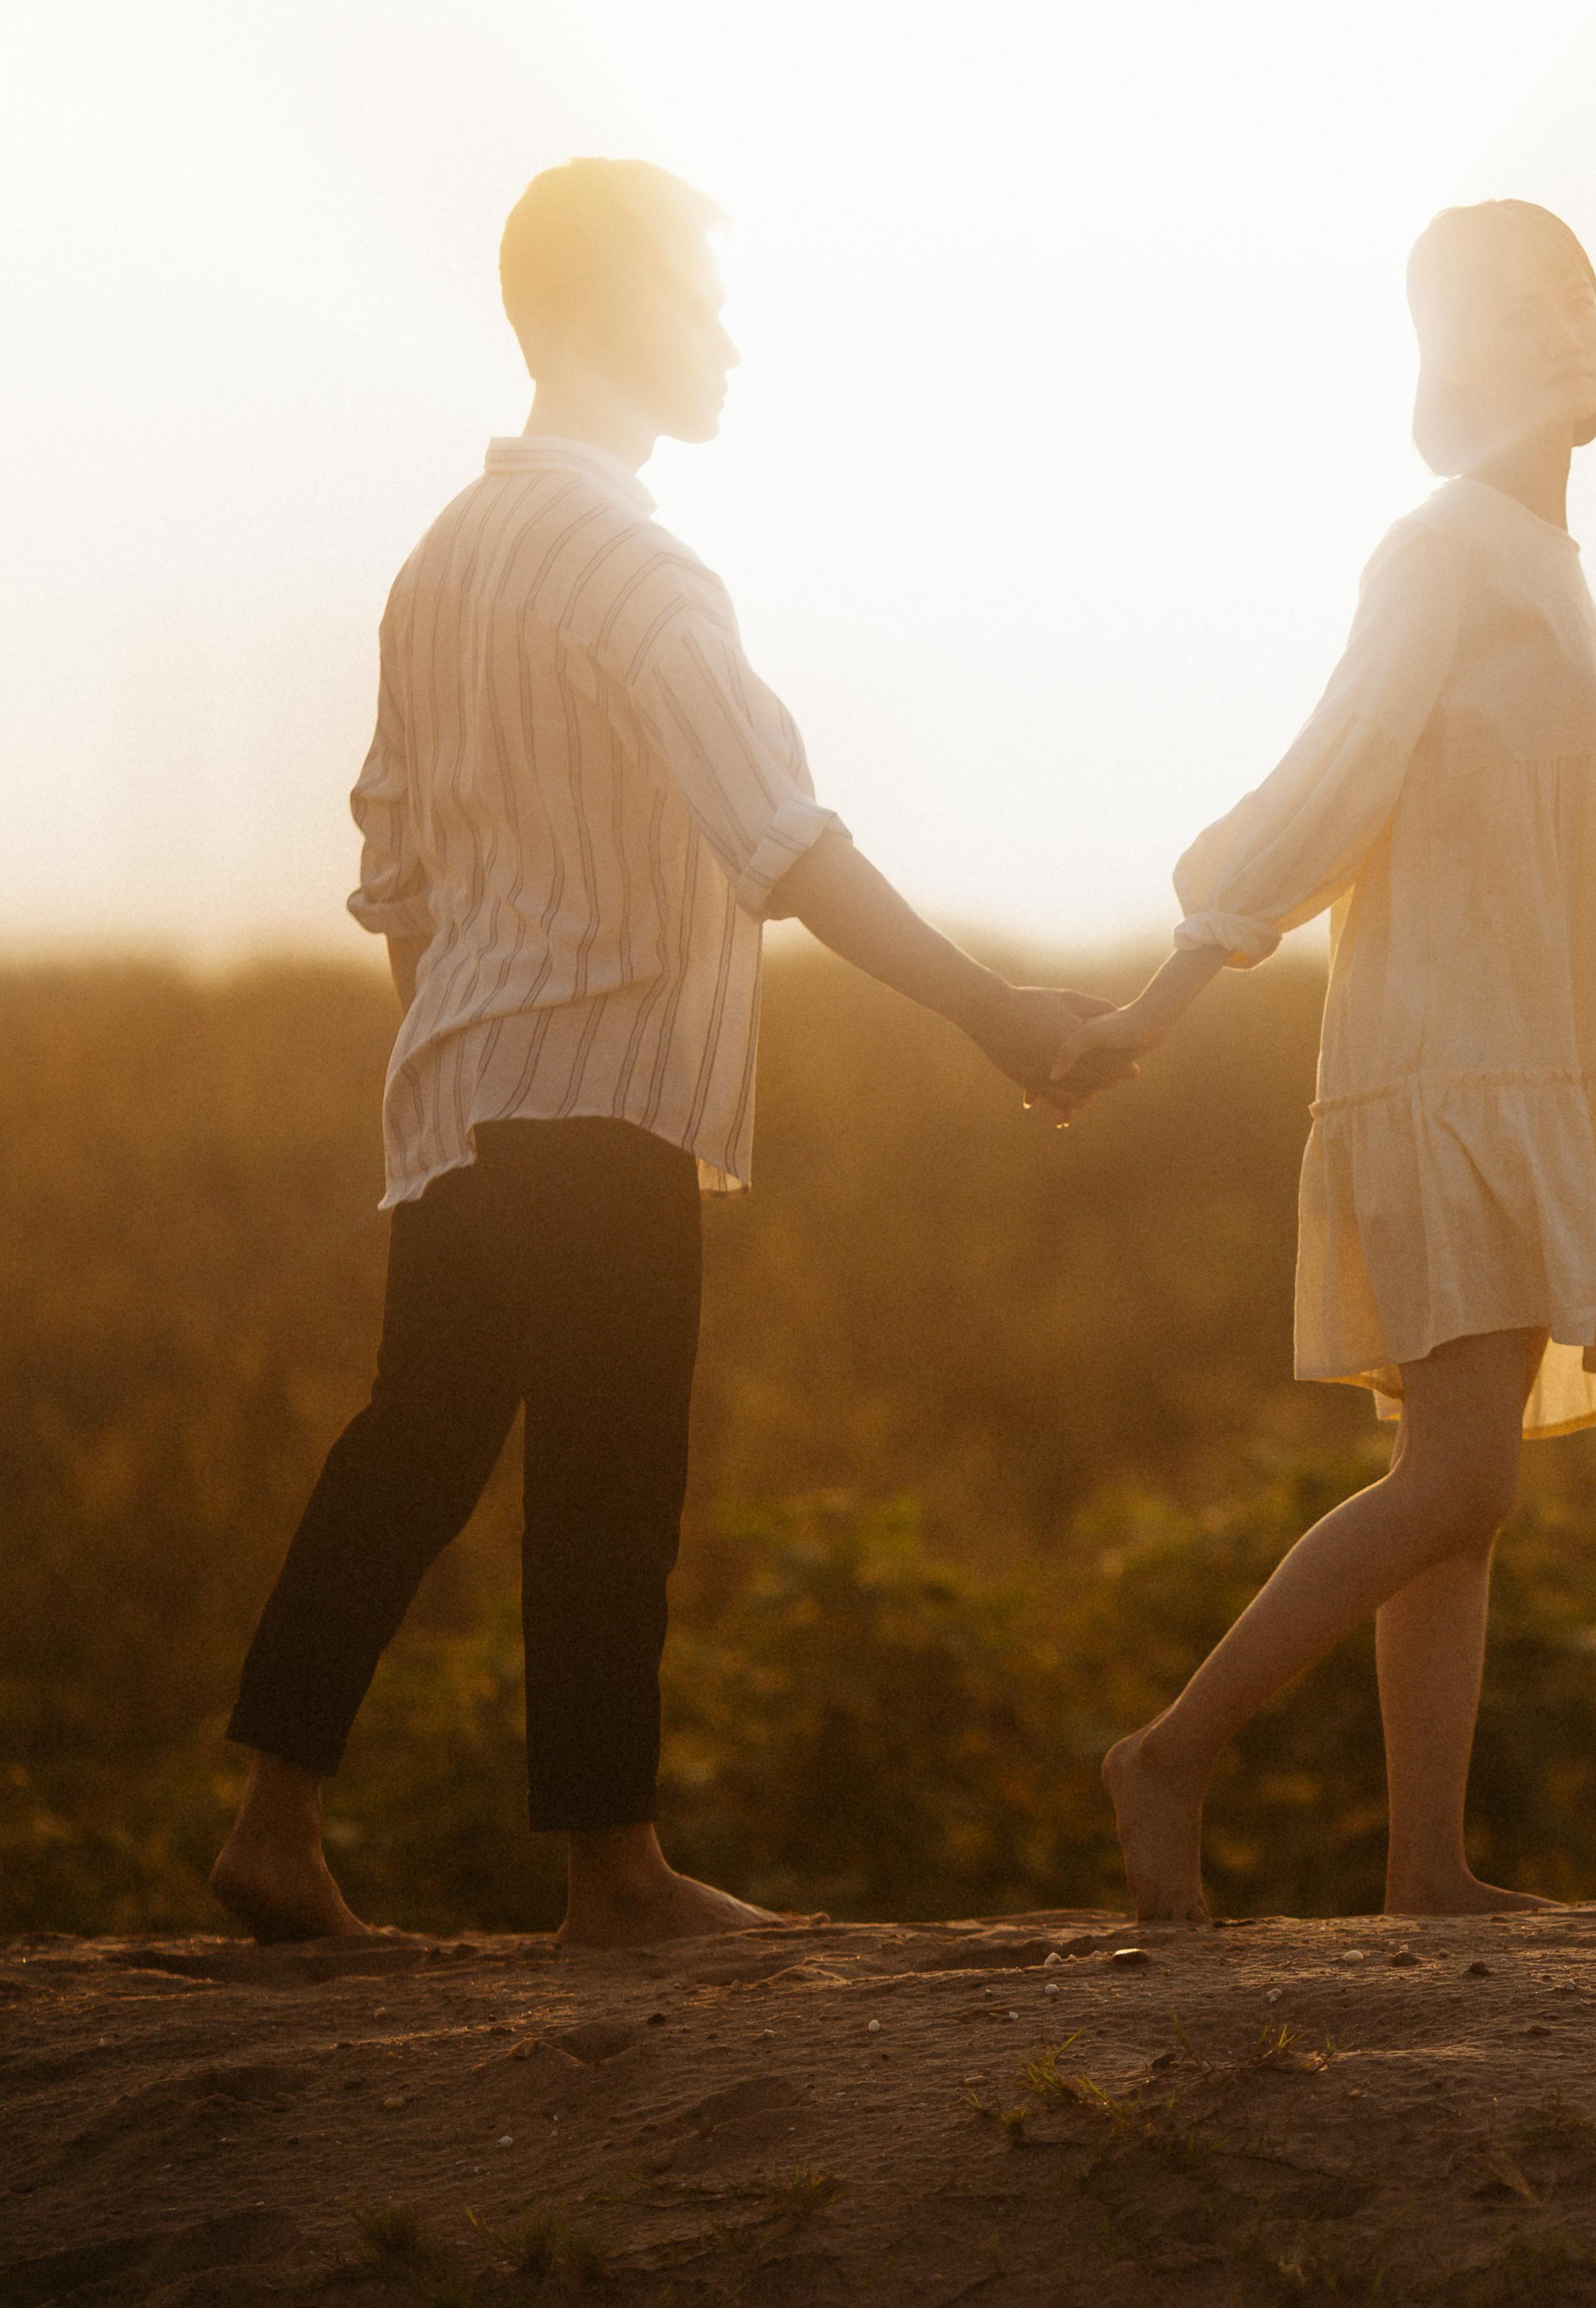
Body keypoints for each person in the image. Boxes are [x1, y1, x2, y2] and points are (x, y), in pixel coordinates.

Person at [207, 159, 1126, 1949]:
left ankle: (274, 1822)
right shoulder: (632, 564)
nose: (727, 340)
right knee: (611, 1475)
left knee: (411, 1450)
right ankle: (614, 1874)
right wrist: (1000, 1012)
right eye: (703, 301)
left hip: (460, 1087)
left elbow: (395, 871)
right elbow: (782, 843)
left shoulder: (443, 562)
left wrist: (461, 1044)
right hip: (604, 1087)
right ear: (611, 311)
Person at [1072, 201, 1596, 1923]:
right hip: (1454, 1066)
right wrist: (1171, 987)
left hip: (1538, 1063)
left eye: (1567, 299)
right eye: (1500, 313)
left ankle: (1426, 1865)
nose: (1546, 332)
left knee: (1457, 1496)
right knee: (1464, 1476)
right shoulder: (1448, 544)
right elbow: (1337, 774)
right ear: (1449, 361)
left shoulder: (1551, 567)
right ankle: (1170, 1754)